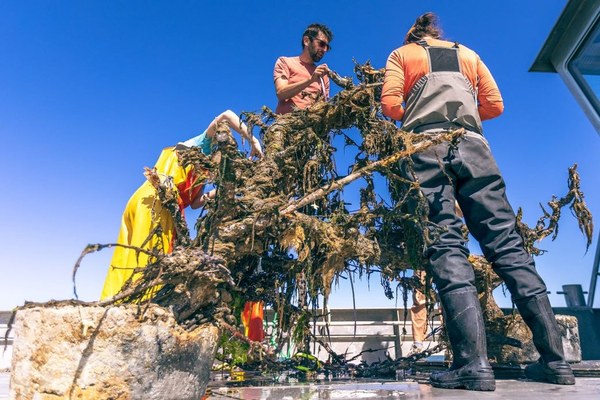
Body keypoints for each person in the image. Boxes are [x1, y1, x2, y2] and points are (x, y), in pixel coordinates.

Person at [381, 12, 575, 391]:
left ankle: (473, 365)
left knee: (445, 244)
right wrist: (464, 119)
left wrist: (419, 117)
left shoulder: (402, 55)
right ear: (438, 34)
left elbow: (390, 106)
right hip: (476, 148)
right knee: (509, 247)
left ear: (414, 36)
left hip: (425, 148)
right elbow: (495, 105)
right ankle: (555, 362)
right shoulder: (469, 55)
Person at [101, 110, 262, 300]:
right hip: (155, 204)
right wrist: (253, 140)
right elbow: (226, 115)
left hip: (147, 202)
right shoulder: (201, 147)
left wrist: (226, 190)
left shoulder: (202, 172)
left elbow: (194, 204)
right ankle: (135, 306)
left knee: (128, 256)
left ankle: (114, 302)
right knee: (149, 261)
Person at [273, 23, 333, 114]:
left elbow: (324, 107)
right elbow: (281, 93)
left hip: (311, 126)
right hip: (286, 125)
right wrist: (310, 80)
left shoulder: (323, 76)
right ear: (306, 41)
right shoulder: (285, 62)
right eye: (321, 44)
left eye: (327, 47)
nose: (324, 49)